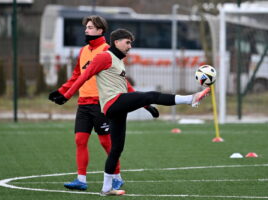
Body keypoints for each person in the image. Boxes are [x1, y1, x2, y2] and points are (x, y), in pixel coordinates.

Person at [51, 28, 211, 196]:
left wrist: (147, 107)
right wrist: (66, 95)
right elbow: (83, 76)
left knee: (117, 148)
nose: (130, 46)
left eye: (131, 43)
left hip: (118, 106)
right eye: (127, 42)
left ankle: (106, 188)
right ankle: (190, 99)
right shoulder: (104, 56)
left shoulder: (118, 61)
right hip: (113, 103)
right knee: (150, 95)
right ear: (116, 42)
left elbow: (127, 87)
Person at [48, 16, 158, 191]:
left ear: (100, 31)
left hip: (102, 103)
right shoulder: (84, 50)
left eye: (90, 27)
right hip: (83, 104)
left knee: (106, 143)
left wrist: (146, 104)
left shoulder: (108, 51)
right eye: (86, 27)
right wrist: (62, 91)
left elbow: (124, 83)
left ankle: (117, 177)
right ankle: (81, 180)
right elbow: (78, 75)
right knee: (80, 140)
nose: (86, 30)